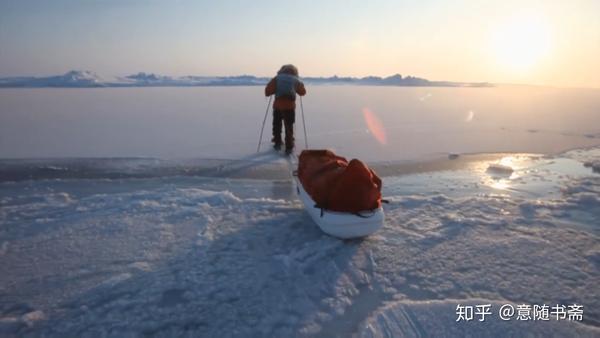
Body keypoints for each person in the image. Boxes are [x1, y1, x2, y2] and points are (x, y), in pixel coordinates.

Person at [264, 64, 306, 155]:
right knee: (289, 126)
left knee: (277, 125)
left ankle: (277, 143)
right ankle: (289, 147)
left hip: (278, 106)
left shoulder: (277, 78)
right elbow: (303, 92)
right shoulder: (295, 79)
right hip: (290, 107)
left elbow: (267, 91)